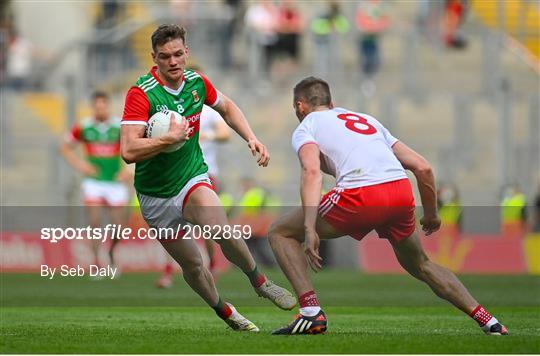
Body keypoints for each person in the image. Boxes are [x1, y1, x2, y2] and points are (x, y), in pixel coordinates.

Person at [268, 77, 508, 336]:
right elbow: (422, 167)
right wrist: (431, 215)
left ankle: (311, 313)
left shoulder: (307, 126)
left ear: (300, 107)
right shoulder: (367, 121)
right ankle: (489, 321)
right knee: (422, 264)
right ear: (332, 103)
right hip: (399, 191)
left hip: (359, 193)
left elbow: (312, 171)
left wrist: (308, 227)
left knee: (280, 232)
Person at [120, 24, 295, 332]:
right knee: (193, 265)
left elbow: (227, 107)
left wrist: (250, 137)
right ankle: (225, 311)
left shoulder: (197, 83)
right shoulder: (141, 93)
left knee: (221, 228)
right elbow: (128, 149)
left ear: (186, 52)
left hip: (191, 178)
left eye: (177, 54)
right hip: (154, 195)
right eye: (164, 57)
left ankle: (260, 281)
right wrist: (167, 139)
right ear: (154, 58)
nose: (173, 62)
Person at [155, 64, 232, 288]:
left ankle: (212, 266)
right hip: (175, 173)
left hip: (204, 173)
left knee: (206, 225)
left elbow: (225, 133)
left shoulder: (207, 110)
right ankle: (168, 272)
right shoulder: (171, 110)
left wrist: (205, 134)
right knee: (169, 223)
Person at [60, 91, 131, 275]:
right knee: (95, 222)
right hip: (94, 182)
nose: (100, 109)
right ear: (93, 107)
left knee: (119, 226)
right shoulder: (84, 127)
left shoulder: (119, 127)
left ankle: (111, 251)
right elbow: (65, 147)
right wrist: (81, 165)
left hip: (114, 181)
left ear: (108, 106)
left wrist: (128, 170)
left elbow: (134, 146)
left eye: (103, 105)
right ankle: (97, 265)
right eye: (97, 105)